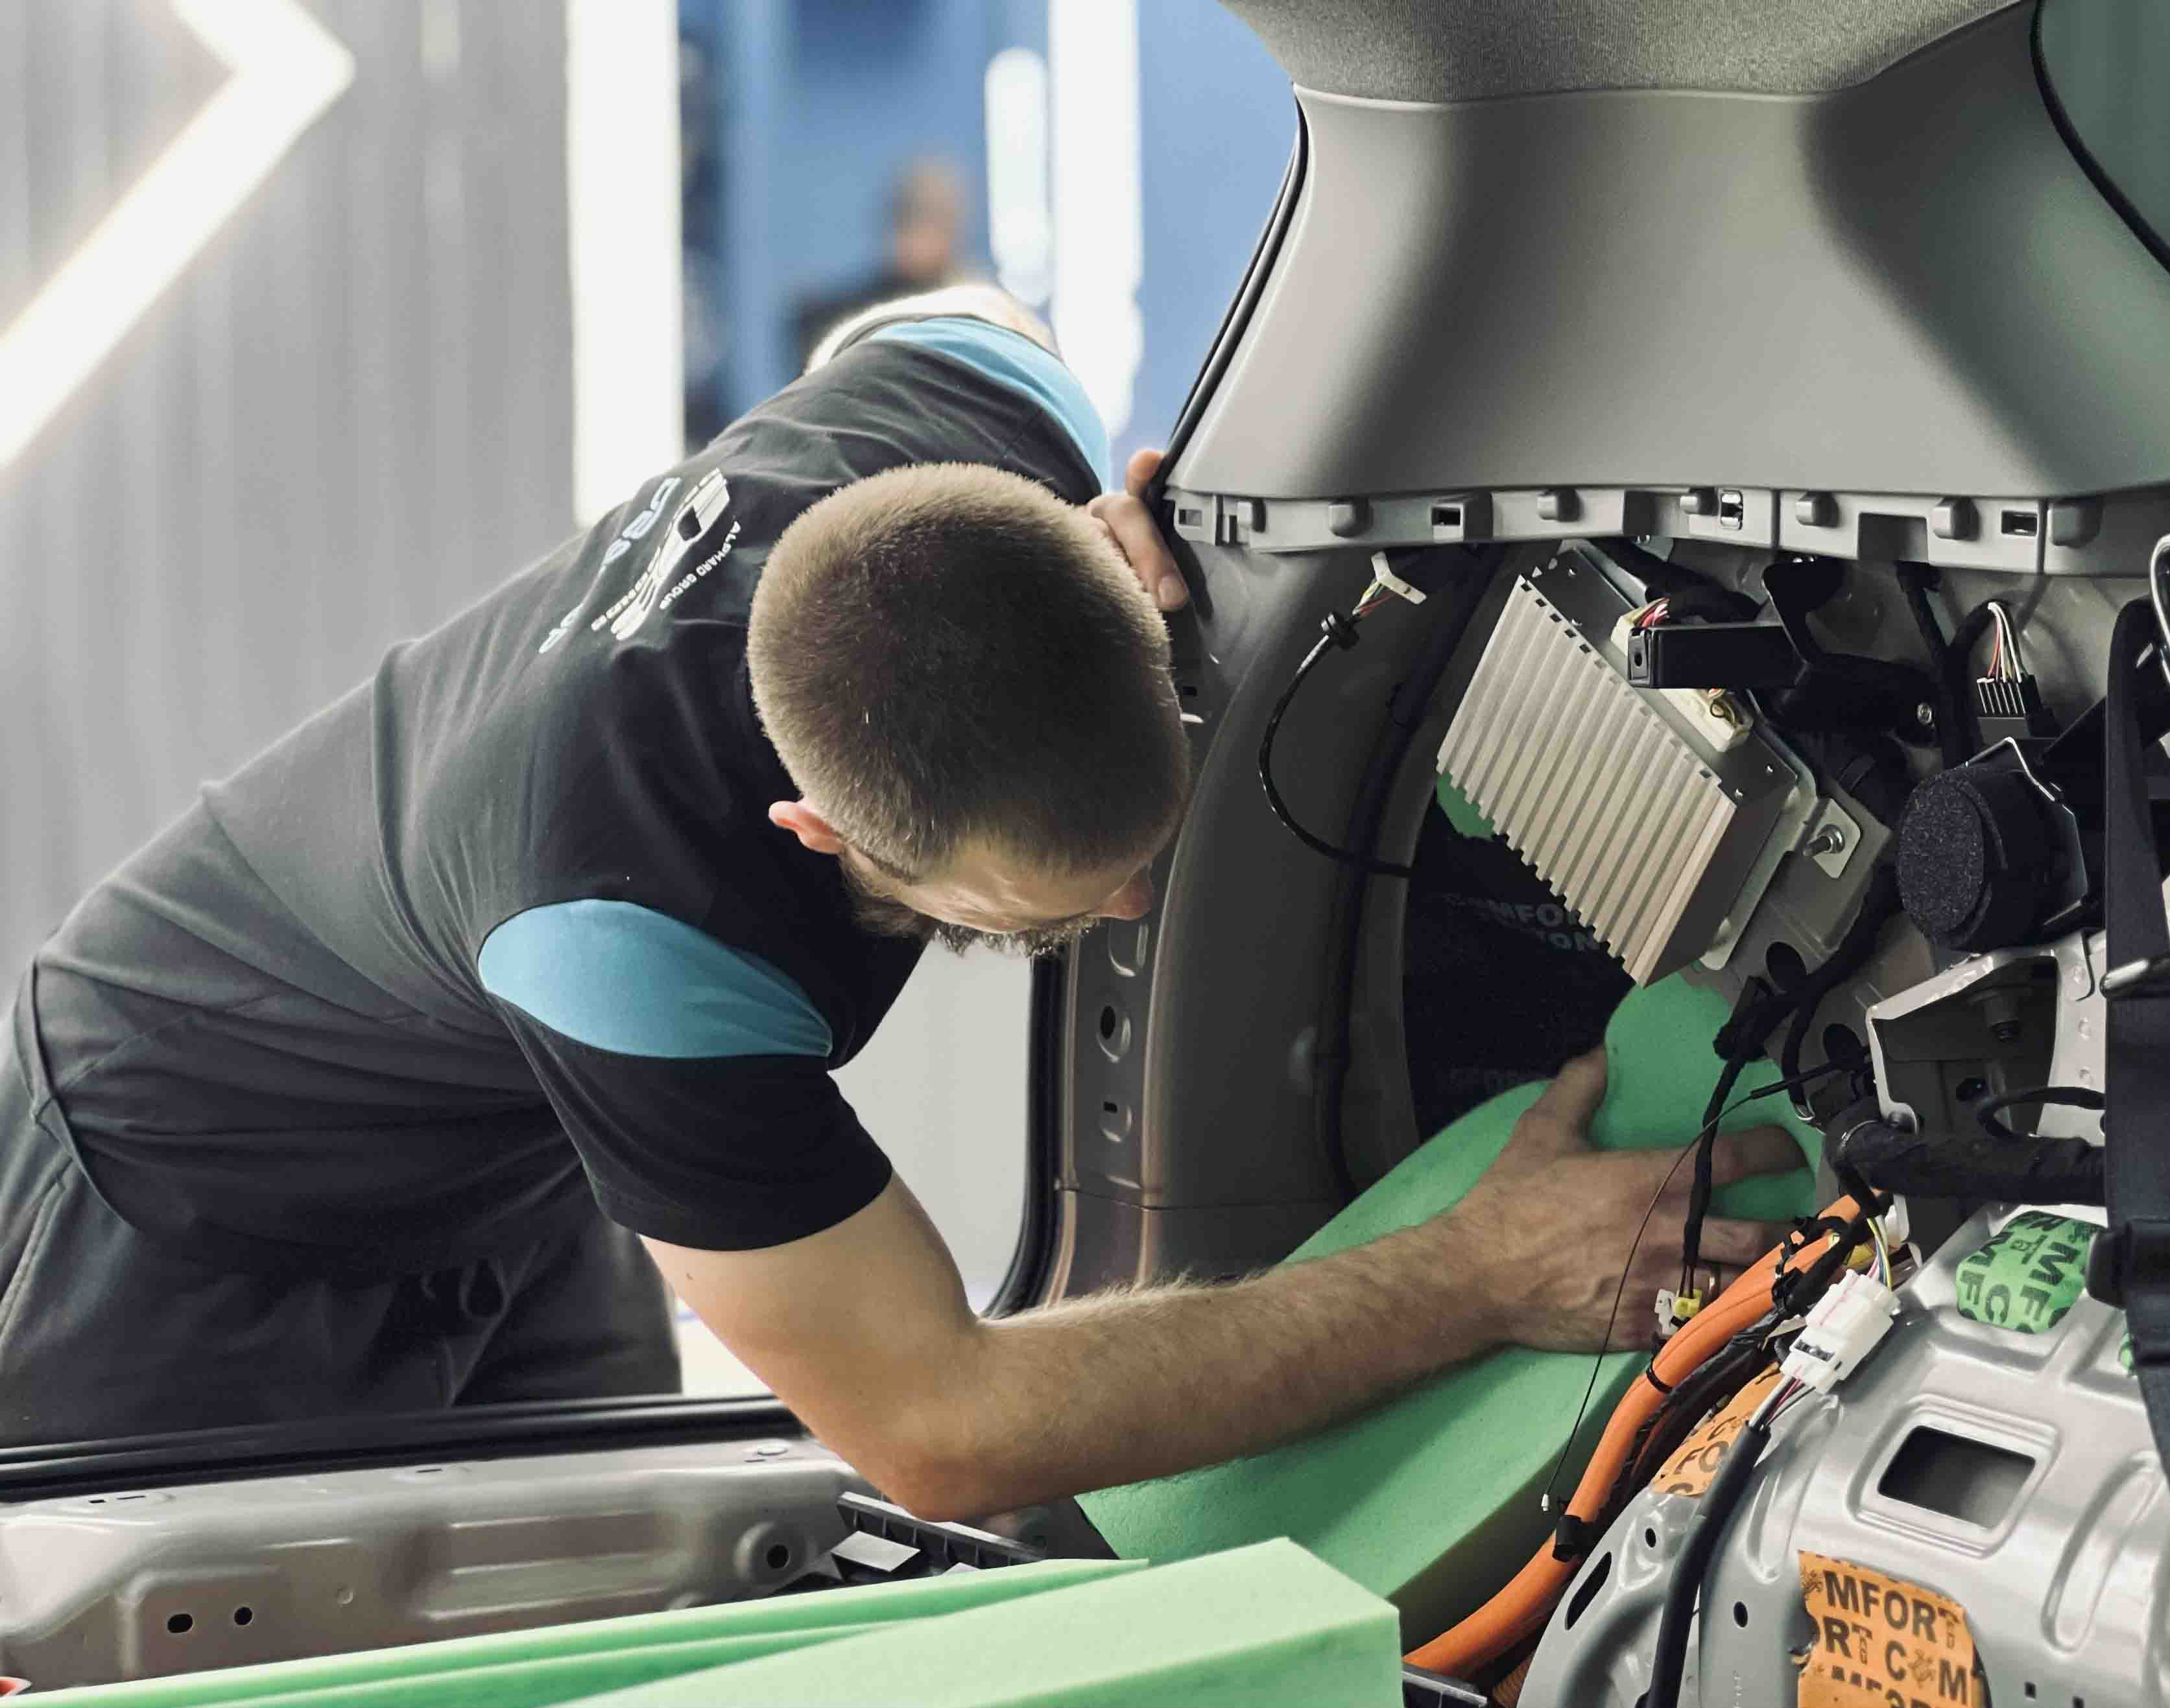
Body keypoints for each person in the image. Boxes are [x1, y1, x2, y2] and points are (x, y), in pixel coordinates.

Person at [0, 284, 1793, 1514]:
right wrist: (1475, 1274)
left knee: (614, 1626)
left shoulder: (960, 415)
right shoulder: (636, 931)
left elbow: (958, 315)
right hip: (173, 1228)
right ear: (815, 834)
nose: (1134, 912)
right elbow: (939, 1428)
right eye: (1034, 913)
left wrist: (1075, 511)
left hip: (493, 1153)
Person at [787, 160, 972, 379]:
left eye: (935, 219)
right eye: (910, 217)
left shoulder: (972, 310)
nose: (922, 237)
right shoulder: (831, 316)